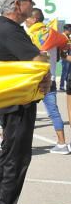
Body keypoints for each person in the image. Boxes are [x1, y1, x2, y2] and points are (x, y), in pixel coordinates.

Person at [0, 0, 49, 204]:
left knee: (12, 155)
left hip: (16, 102)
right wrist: (42, 59)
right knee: (16, 157)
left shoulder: (6, 29)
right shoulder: (9, 30)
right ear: (17, 4)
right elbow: (38, 59)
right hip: (16, 104)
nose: (32, 4)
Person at [24, 8, 69, 153]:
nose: (25, 20)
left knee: (19, 110)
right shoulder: (54, 35)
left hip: (35, 80)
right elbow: (61, 56)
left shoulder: (31, 35)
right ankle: (62, 143)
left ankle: (3, 138)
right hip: (50, 79)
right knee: (53, 111)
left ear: (35, 19)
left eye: (27, 18)